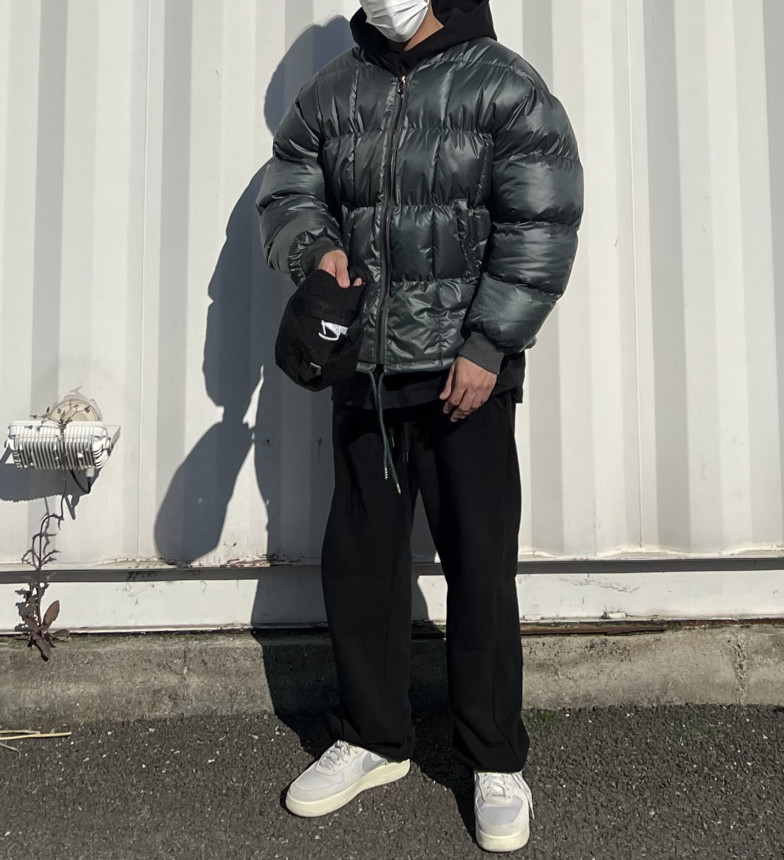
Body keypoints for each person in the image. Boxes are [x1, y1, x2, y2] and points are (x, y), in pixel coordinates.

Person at [256, 0, 583, 851]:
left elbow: (541, 219)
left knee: (481, 566)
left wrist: (489, 343)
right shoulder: (337, 88)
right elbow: (288, 185)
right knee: (360, 563)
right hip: (364, 373)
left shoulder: (505, 86)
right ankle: (373, 737)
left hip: (465, 376)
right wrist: (314, 248)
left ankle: (494, 756)